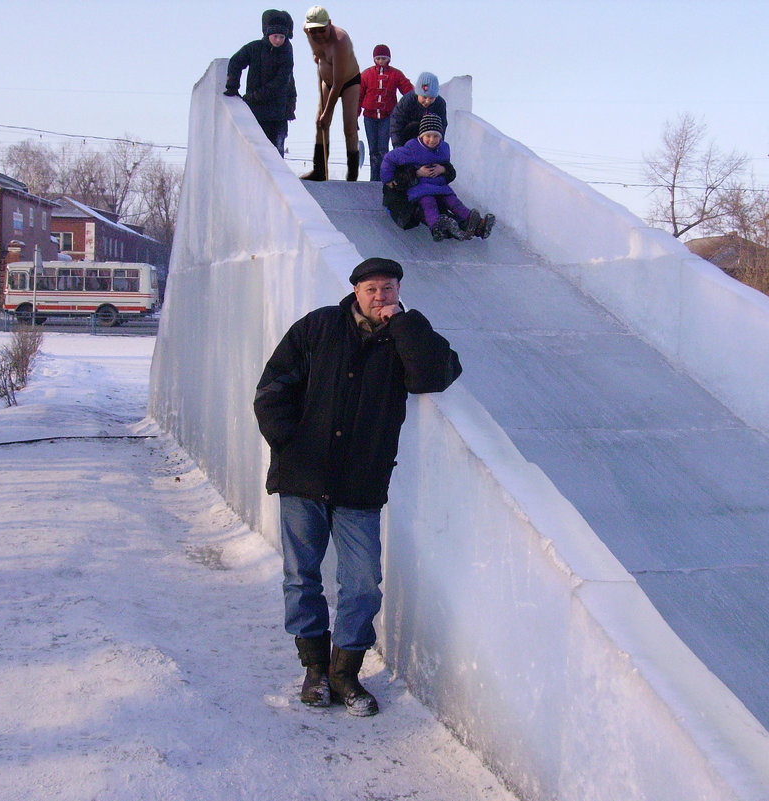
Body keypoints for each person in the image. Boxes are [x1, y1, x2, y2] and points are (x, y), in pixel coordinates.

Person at [253, 257, 462, 716]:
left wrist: (403, 327)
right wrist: (289, 446)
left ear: (398, 289)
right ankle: (314, 670)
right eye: (370, 289)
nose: (379, 296)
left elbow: (435, 376)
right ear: (355, 292)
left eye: (387, 288)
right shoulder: (319, 327)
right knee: (301, 576)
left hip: (360, 484)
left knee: (363, 584)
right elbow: (272, 389)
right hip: (304, 477)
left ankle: (345, 672)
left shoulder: (409, 334)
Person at [381, 114, 496, 242]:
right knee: (429, 204)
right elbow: (389, 158)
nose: (432, 140)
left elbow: (449, 167)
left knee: (454, 202)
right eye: (428, 136)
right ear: (420, 135)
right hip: (421, 188)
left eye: (436, 136)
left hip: (440, 186)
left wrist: (443, 169)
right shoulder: (411, 149)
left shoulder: (443, 148)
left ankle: (475, 222)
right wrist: (388, 179)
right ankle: (437, 227)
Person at [300, 5, 361, 181]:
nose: (317, 34)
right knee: (320, 124)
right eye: (314, 31)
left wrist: (327, 113)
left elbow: (338, 83)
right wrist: (317, 56)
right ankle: (319, 170)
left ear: (330, 24)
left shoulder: (341, 41)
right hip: (327, 81)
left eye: (322, 30)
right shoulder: (307, 29)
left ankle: (352, 175)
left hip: (348, 81)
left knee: (349, 127)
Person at [225, 9, 296, 157]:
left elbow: (279, 84)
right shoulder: (254, 48)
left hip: (277, 114)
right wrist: (232, 87)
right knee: (255, 153)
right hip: (255, 113)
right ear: (268, 34)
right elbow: (236, 62)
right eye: (275, 36)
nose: (278, 40)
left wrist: (252, 97)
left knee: (275, 155)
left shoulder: (287, 54)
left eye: (281, 37)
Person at [358, 44, 413, 182]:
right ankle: (374, 179)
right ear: (374, 59)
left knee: (383, 148)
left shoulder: (395, 74)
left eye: (384, 58)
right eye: (378, 58)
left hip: (387, 117)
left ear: (388, 59)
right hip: (369, 117)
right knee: (372, 149)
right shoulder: (366, 74)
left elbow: (408, 91)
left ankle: (385, 177)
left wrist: (415, 102)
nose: (381, 61)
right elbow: (357, 97)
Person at [390, 71, 448, 149]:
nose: (427, 101)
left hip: (429, 139)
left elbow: (442, 126)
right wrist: (398, 146)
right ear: (418, 94)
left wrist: (438, 145)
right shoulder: (407, 101)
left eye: (431, 98)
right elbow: (396, 124)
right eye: (424, 97)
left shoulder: (440, 104)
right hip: (407, 138)